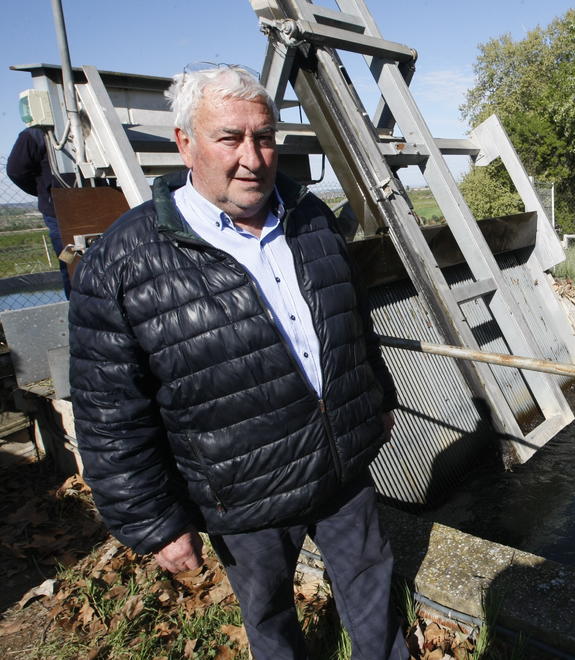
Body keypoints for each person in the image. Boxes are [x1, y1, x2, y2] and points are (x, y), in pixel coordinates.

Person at [69, 65, 407, 660]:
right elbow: (109, 413)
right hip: (243, 490)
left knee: (374, 595)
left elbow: (351, 321)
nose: (252, 158)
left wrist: (376, 399)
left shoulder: (310, 218)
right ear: (185, 144)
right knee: (270, 618)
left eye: (265, 137)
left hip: (341, 467)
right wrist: (155, 522)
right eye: (229, 138)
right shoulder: (125, 261)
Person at [6, 124, 72, 297]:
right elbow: (16, 171)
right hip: (58, 214)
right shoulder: (36, 134)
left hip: (98, 205)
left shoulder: (88, 126)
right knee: (71, 262)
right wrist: (45, 191)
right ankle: (78, 307)